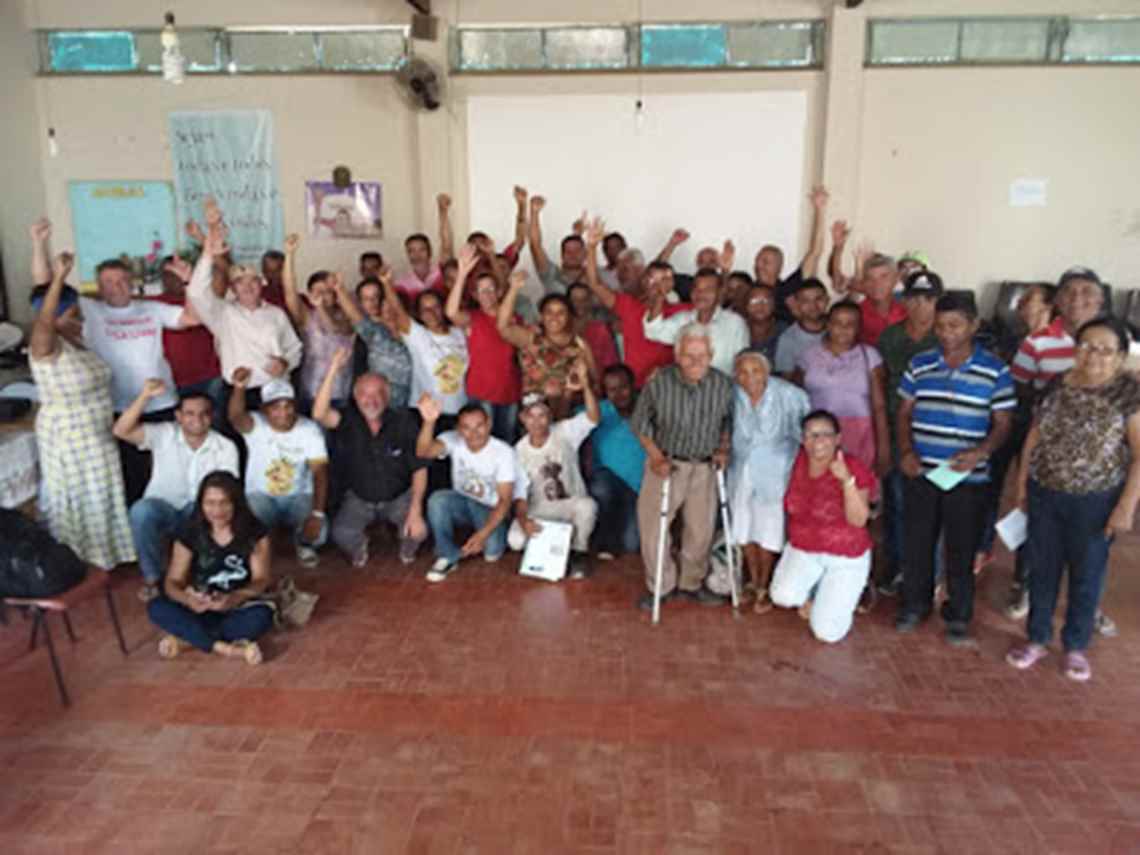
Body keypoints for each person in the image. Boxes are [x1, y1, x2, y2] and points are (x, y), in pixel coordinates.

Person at [1006, 319, 1140, 682]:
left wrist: (1126, 505)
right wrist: (1021, 484)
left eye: (1105, 350)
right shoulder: (1057, 383)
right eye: (1086, 346)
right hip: (1045, 493)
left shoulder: (1128, 393)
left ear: (1120, 356)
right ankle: (1036, 638)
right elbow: (1034, 435)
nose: (1093, 355)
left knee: (1087, 573)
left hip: (1096, 501)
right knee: (1042, 568)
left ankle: (1075, 646)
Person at [895, 293, 1014, 644]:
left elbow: (1003, 423)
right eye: (940, 326)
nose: (946, 333)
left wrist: (981, 452)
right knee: (917, 543)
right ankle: (915, 606)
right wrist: (906, 451)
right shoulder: (920, 364)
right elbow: (903, 414)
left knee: (961, 549)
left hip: (967, 475)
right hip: (922, 471)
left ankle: (958, 614)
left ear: (973, 325)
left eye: (955, 325)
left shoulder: (995, 370)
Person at [1007, 267, 1111, 626]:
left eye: (1087, 293)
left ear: (1100, 300)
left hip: (1100, 462)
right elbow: (1019, 389)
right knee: (1037, 525)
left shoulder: (1119, 340)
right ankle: (1025, 584)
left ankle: (1088, 605)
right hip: (1047, 453)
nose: (1078, 299)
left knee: (1093, 539)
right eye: (1070, 292)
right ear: (1058, 301)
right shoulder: (1036, 343)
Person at [27, 251, 136, 570]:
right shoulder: (45, 347)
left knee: (101, 498)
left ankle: (106, 558)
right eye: (73, 313)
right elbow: (43, 319)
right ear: (56, 316)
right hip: (70, 438)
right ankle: (78, 563)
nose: (80, 318)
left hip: (97, 435)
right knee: (79, 499)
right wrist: (58, 278)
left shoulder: (78, 342)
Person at [630, 323, 734, 611]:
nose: (696, 362)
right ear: (677, 355)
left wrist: (723, 449)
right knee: (654, 528)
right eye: (689, 355)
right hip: (666, 463)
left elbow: (727, 423)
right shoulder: (659, 382)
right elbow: (640, 423)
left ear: (711, 355)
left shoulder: (723, 385)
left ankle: (691, 583)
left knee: (700, 531)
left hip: (705, 466)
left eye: (702, 356)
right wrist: (655, 457)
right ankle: (660, 586)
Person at [114, 381, 239, 600]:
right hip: (164, 509)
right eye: (189, 413)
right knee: (141, 511)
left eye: (204, 413)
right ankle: (153, 579)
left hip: (201, 513)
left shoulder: (225, 446)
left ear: (212, 416)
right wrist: (145, 396)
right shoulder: (164, 434)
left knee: (215, 508)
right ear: (178, 416)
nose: (197, 419)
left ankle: (201, 575)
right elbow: (120, 430)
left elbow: (228, 492)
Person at [312, 349, 429, 567]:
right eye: (365, 394)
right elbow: (319, 413)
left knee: (418, 532)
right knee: (341, 533)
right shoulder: (347, 419)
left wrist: (416, 510)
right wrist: (334, 368)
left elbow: (420, 468)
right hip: (360, 499)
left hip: (398, 498)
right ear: (355, 397)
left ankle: (407, 547)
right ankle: (360, 547)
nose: (372, 400)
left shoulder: (403, 421)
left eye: (378, 393)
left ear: (388, 396)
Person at [147, 471, 274, 666]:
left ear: (236, 504)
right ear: (201, 504)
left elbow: (261, 580)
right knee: (157, 607)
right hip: (199, 605)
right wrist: (188, 600)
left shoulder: (255, 532)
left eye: (224, 503)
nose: (217, 510)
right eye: (210, 503)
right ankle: (228, 649)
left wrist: (234, 598)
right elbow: (172, 582)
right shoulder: (189, 532)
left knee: (261, 617)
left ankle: (188, 640)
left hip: (237, 606)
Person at [769, 410, 875, 643]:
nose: (818, 441)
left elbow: (858, 520)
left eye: (825, 435)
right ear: (803, 439)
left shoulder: (853, 466)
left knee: (827, 633)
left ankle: (843, 594)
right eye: (811, 435)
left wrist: (846, 480)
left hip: (846, 557)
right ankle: (817, 591)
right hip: (805, 549)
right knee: (782, 595)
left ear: (838, 439)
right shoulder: (797, 461)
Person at [728, 350, 810, 613]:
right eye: (743, 372)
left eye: (756, 371)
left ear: (767, 371)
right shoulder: (731, 395)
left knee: (769, 531)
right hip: (740, 471)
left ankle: (764, 585)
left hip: (774, 473)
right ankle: (752, 581)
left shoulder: (790, 395)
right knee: (743, 527)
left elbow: (805, 437)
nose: (749, 377)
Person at [188, 224, 303, 411]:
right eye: (240, 282)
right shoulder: (222, 313)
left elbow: (294, 348)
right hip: (238, 391)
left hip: (276, 391)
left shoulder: (276, 313)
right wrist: (208, 253)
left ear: (261, 284)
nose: (247, 287)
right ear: (233, 288)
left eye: (253, 281)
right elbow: (196, 293)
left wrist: (286, 363)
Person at [876, 270, 942, 594]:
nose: (920, 306)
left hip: (936, 435)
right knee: (897, 504)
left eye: (928, 299)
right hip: (896, 430)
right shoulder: (890, 338)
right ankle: (898, 566)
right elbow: (881, 383)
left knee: (933, 507)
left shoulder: (946, 338)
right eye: (914, 298)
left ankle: (929, 573)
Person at [508, 361, 600, 578]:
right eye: (531, 416)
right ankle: (554, 544)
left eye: (542, 415)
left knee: (588, 506)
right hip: (540, 509)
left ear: (549, 417)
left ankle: (578, 550)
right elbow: (519, 495)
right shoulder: (518, 451)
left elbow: (593, 418)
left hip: (569, 504)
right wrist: (524, 521)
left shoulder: (564, 432)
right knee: (515, 541)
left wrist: (585, 386)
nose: (537, 422)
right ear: (523, 418)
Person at [228, 371, 330, 568]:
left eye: (288, 405)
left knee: (320, 534)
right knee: (245, 534)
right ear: (264, 410)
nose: (283, 413)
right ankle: (266, 543)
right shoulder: (255, 425)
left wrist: (317, 514)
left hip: (299, 495)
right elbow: (235, 416)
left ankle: (302, 544)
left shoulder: (309, 430)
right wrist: (239, 388)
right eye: (275, 407)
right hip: (261, 496)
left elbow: (320, 472)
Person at [416, 398, 516, 582]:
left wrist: (482, 535)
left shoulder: (504, 452)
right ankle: (447, 555)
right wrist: (429, 422)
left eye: (479, 426)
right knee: (438, 500)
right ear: (459, 429)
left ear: (489, 424)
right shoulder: (453, 439)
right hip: (462, 502)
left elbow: (505, 501)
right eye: (466, 428)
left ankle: (490, 532)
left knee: (492, 552)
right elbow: (423, 452)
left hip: (490, 509)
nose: (474, 433)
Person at [582, 221, 684, 388]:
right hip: (634, 387)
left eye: (664, 280)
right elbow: (595, 284)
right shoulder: (628, 305)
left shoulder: (682, 310)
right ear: (644, 280)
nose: (657, 285)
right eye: (652, 280)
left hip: (669, 387)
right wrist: (591, 247)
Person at [792, 302, 890, 475]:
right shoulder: (808, 356)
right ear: (828, 324)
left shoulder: (870, 356)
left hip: (860, 433)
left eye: (850, 324)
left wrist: (883, 450)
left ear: (858, 328)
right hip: (819, 433)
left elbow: (879, 406)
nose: (843, 329)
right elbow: (795, 402)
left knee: (857, 483)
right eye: (837, 323)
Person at [444, 245, 522, 441]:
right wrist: (462, 274)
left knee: (507, 440)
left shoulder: (514, 318)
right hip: (481, 392)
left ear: (498, 292)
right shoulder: (473, 318)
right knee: (482, 442)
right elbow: (451, 312)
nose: (486, 294)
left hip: (510, 390)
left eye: (490, 289)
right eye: (481, 291)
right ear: (475, 295)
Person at [498, 271, 596, 421]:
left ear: (569, 316)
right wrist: (513, 289)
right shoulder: (531, 338)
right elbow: (503, 327)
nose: (554, 318)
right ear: (541, 316)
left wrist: (576, 386)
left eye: (561, 313)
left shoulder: (579, 345)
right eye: (549, 312)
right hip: (533, 418)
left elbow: (595, 382)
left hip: (567, 417)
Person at [379, 265, 469, 417]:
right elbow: (398, 310)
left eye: (435, 307)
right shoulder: (417, 335)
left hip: (459, 410)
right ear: (419, 314)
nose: (431, 312)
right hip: (425, 412)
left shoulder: (458, 332)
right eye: (425, 309)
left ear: (443, 308)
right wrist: (386, 283)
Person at [281, 234, 355, 413]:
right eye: (317, 291)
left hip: (342, 393)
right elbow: (289, 292)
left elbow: (335, 329)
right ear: (309, 294)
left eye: (327, 291)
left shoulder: (348, 315)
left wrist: (320, 308)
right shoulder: (307, 316)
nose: (322, 296)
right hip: (312, 391)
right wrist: (289, 255)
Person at [643, 266, 749, 377]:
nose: (700, 294)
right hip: (686, 386)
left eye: (707, 289)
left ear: (719, 293)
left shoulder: (735, 324)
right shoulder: (682, 320)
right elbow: (653, 331)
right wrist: (660, 296)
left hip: (722, 386)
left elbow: (743, 363)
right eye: (696, 289)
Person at [587, 364, 645, 559]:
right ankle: (604, 540)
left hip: (637, 489)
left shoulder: (648, 410)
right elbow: (565, 422)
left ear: (633, 385)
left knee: (631, 544)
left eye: (624, 387)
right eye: (612, 389)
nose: (619, 394)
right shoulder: (599, 411)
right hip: (607, 482)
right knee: (600, 487)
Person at [335, 272, 414, 409]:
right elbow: (354, 315)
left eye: (393, 311)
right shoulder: (376, 334)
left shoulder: (415, 335)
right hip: (378, 403)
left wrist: (387, 283)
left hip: (411, 404)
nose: (389, 315)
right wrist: (339, 289)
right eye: (385, 311)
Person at [755, 186, 829, 321]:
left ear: (778, 267)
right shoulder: (748, 290)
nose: (759, 266)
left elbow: (815, 252)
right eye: (757, 261)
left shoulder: (789, 288)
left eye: (766, 262)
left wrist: (819, 209)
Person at [395, 193, 454, 300]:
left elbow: (446, 245)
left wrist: (443, 212)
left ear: (430, 252)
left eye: (421, 250)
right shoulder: (401, 284)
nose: (417, 255)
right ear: (407, 254)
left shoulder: (440, 273)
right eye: (412, 251)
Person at [528, 194, 587, 294]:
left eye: (577, 251)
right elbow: (535, 245)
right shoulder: (551, 274)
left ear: (585, 254)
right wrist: (534, 213)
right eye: (568, 251)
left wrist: (579, 235)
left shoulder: (595, 276)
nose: (573, 255)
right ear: (562, 255)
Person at [773, 279, 829, 378]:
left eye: (818, 299)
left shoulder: (839, 328)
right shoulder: (788, 339)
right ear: (797, 304)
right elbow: (787, 381)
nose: (813, 306)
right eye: (805, 301)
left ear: (827, 300)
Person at [857, 253, 908, 348]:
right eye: (870, 278)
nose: (877, 284)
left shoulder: (908, 311)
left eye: (884, 277)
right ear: (863, 282)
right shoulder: (856, 315)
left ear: (896, 279)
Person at [568, 283, 618, 374]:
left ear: (590, 302)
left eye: (584, 299)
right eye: (575, 300)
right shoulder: (562, 329)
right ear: (567, 302)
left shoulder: (600, 330)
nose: (580, 303)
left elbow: (610, 364)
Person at [744, 283, 787, 364]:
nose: (760, 305)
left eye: (766, 301)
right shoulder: (737, 328)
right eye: (754, 301)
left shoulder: (784, 331)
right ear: (745, 305)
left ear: (774, 305)